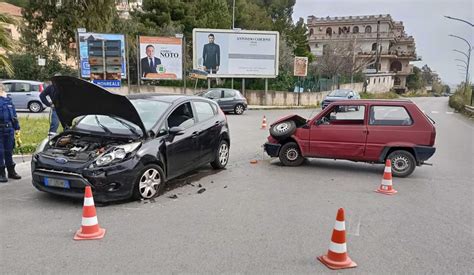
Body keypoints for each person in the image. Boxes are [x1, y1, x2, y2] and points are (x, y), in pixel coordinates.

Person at [0, 83, 21, 182]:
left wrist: (17, 128)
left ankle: (11, 172)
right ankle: (1, 173)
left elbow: (14, 115)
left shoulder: (8, 100)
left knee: (9, 151)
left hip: (9, 129)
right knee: (0, 152)